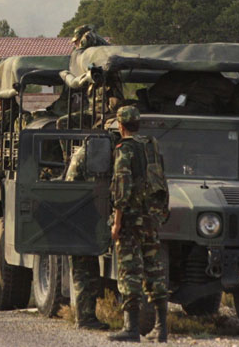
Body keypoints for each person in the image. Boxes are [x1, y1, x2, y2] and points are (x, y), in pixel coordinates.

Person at [108, 106, 168, 343]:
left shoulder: (125, 150)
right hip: (151, 219)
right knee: (155, 270)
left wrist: (117, 223)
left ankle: (131, 329)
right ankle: (161, 329)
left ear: (121, 126)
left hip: (132, 221)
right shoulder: (151, 146)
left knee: (130, 272)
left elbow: (122, 191)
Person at [65, 142, 110, 331]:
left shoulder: (88, 152)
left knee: (88, 269)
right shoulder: (91, 155)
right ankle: (84, 319)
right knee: (83, 270)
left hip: (82, 218)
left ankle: (87, 316)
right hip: (80, 220)